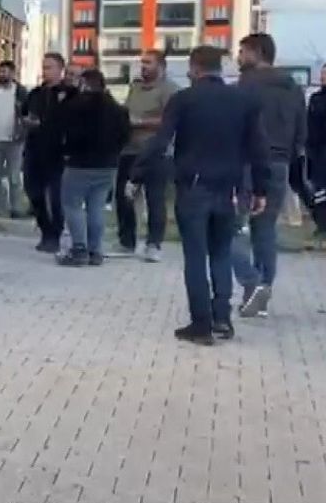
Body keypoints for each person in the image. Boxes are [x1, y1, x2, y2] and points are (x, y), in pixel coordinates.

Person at [133, 45, 269, 345]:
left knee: (195, 256)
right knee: (221, 252)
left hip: (193, 187)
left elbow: (161, 140)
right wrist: (261, 189)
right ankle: (222, 318)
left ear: (195, 68)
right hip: (229, 189)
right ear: (219, 67)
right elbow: (258, 148)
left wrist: (137, 173)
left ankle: (201, 323)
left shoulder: (184, 99)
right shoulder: (243, 100)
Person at [233, 33, 306, 318]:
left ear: (257, 52)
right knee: (265, 229)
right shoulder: (293, 87)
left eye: (242, 52)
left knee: (232, 226)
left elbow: (238, 125)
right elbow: (301, 131)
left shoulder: (247, 84)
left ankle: (251, 283)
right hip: (280, 162)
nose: (238, 58)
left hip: (249, 162)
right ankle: (263, 290)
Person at [56, 70, 129, 266]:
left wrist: (66, 150)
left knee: (72, 205)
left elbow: (63, 129)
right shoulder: (118, 109)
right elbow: (125, 136)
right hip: (107, 165)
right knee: (96, 207)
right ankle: (95, 251)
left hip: (79, 164)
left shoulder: (75, 107)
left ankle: (79, 248)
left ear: (84, 83)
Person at [114, 50, 178, 262]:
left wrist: (140, 122)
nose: (143, 67)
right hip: (129, 149)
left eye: (148, 63)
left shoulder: (169, 89)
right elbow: (127, 112)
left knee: (155, 199)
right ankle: (127, 241)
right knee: (124, 196)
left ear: (161, 66)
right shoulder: (136, 87)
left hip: (156, 152)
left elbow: (169, 120)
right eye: (142, 62)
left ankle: (154, 244)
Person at [23, 53, 74, 254]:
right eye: (44, 67)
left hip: (57, 151)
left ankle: (56, 233)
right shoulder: (36, 93)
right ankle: (45, 229)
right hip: (35, 148)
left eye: (50, 67)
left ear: (60, 70)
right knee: (33, 191)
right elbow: (25, 113)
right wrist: (28, 122)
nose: (45, 71)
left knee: (56, 196)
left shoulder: (69, 93)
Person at [0, 60, 29, 219]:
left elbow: (25, 114)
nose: (2, 74)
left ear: (13, 73)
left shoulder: (21, 92)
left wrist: (21, 131)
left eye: (5, 71)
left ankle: (16, 208)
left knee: (14, 177)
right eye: (0, 71)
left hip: (14, 140)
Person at [304, 65, 326, 239]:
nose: (323, 77)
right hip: (318, 151)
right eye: (323, 73)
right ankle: (321, 224)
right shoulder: (316, 99)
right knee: (319, 189)